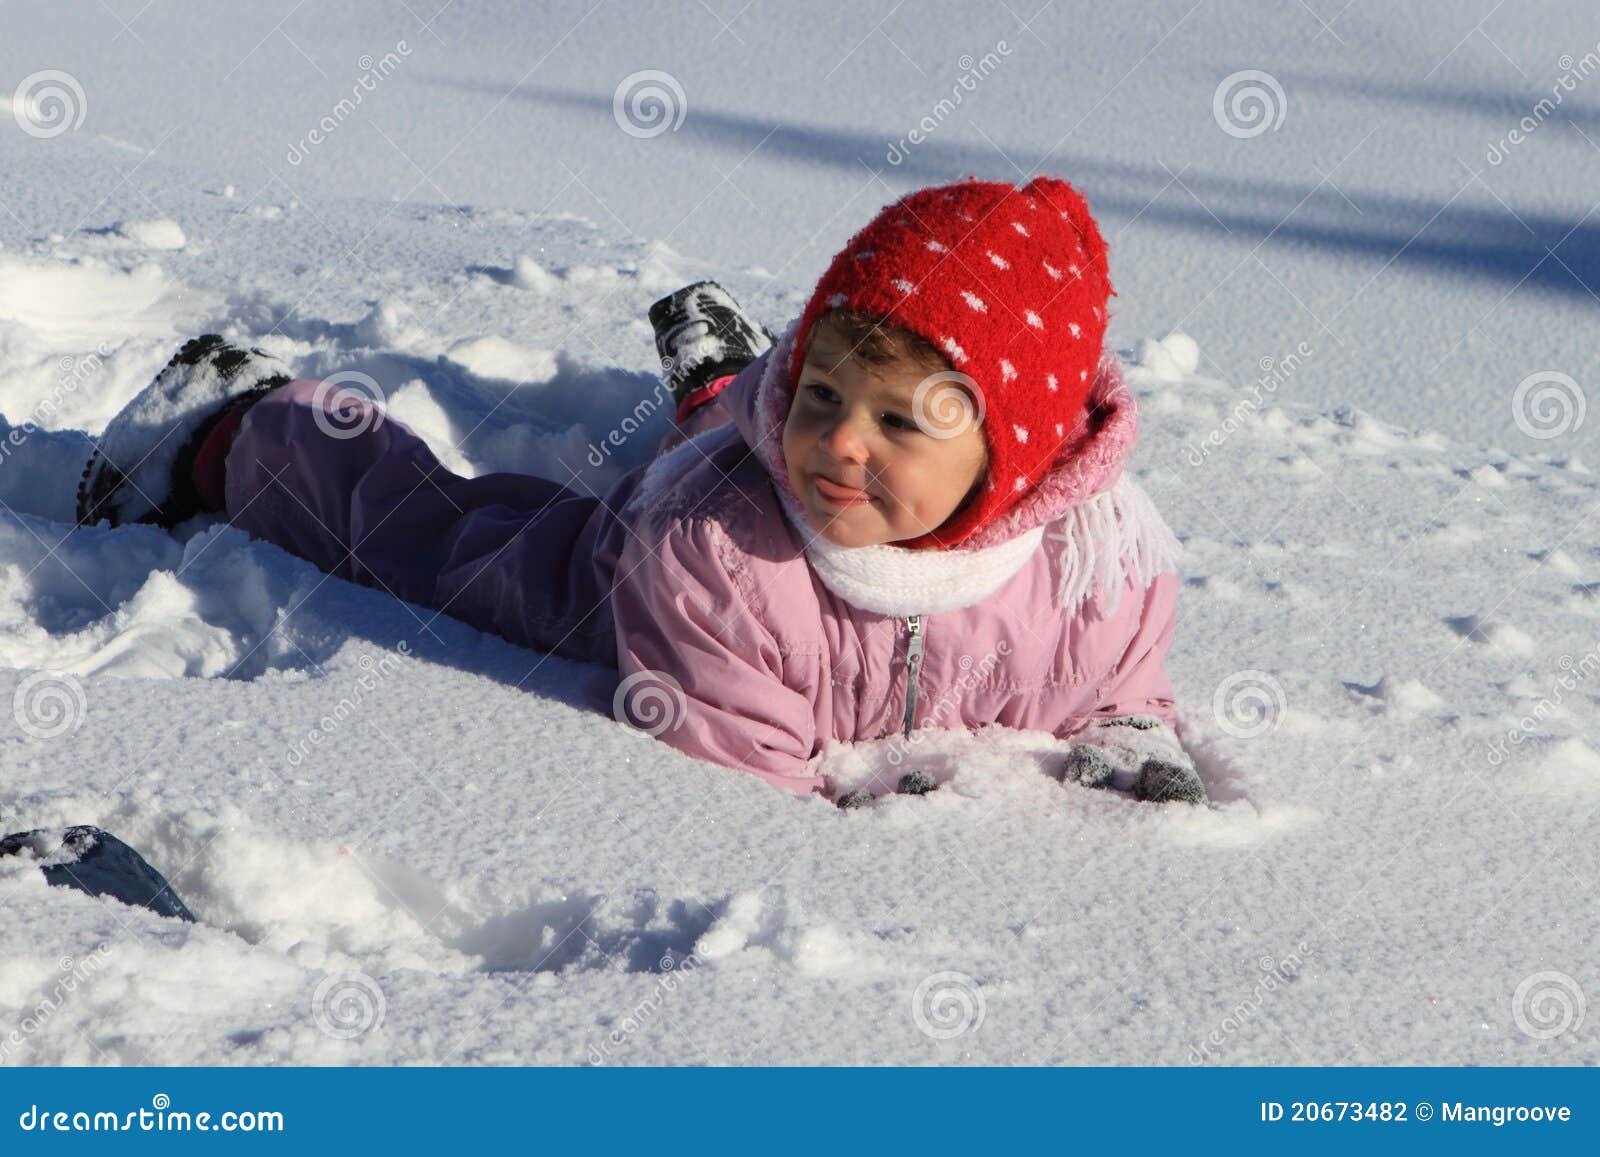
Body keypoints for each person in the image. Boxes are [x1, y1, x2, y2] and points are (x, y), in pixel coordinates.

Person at [75, 175, 1206, 808]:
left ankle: (723, 389)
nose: (842, 440)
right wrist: (880, 812)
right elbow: (730, 781)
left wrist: (1130, 742)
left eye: (899, 422)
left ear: (1017, 461)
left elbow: (1116, 684)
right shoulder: (715, 554)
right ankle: (242, 421)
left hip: (749, 475)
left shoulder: (1091, 563)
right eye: (819, 391)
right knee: (437, 542)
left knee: (761, 449)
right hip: (618, 584)